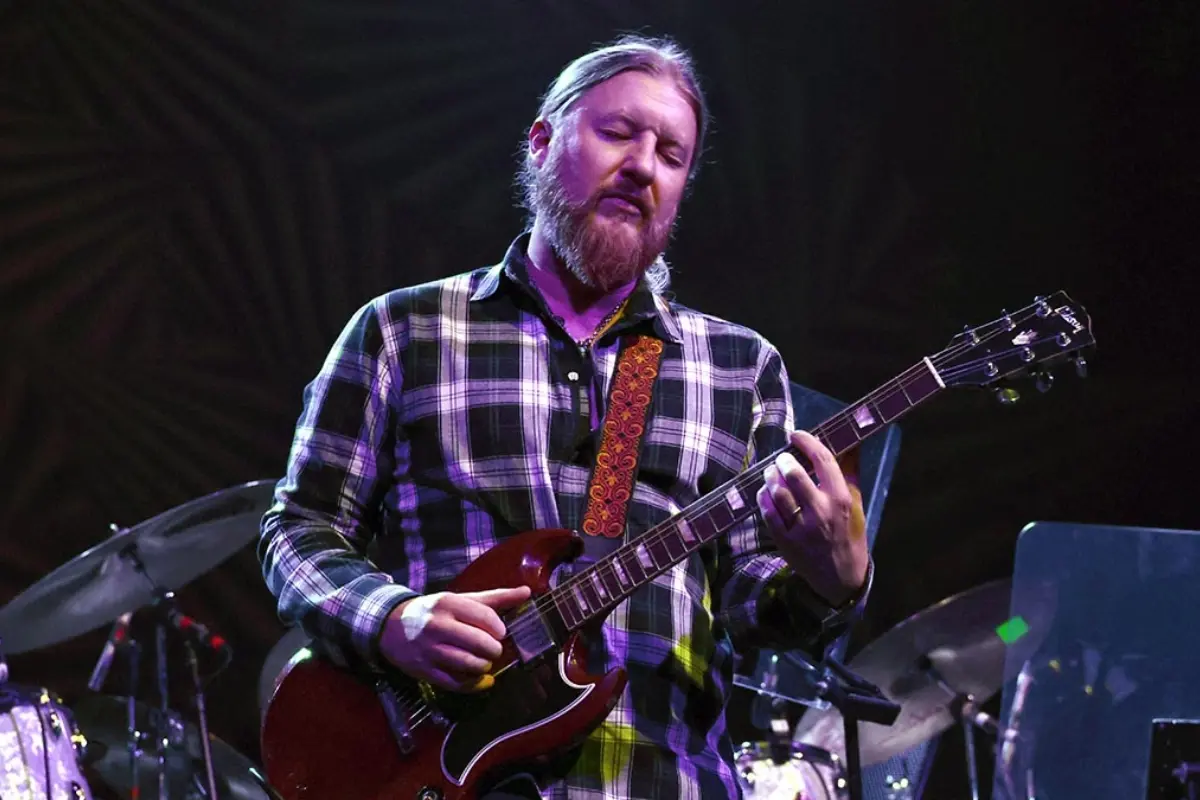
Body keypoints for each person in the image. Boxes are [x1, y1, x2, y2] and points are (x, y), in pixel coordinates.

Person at [259, 34, 872, 800]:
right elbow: (301, 527)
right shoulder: (405, 329)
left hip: (659, 779)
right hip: (434, 771)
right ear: (541, 142)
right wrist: (391, 619)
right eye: (617, 133)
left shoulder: (740, 369)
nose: (643, 165)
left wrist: (831, 579)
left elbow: (756, 605)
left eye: (672, 154)